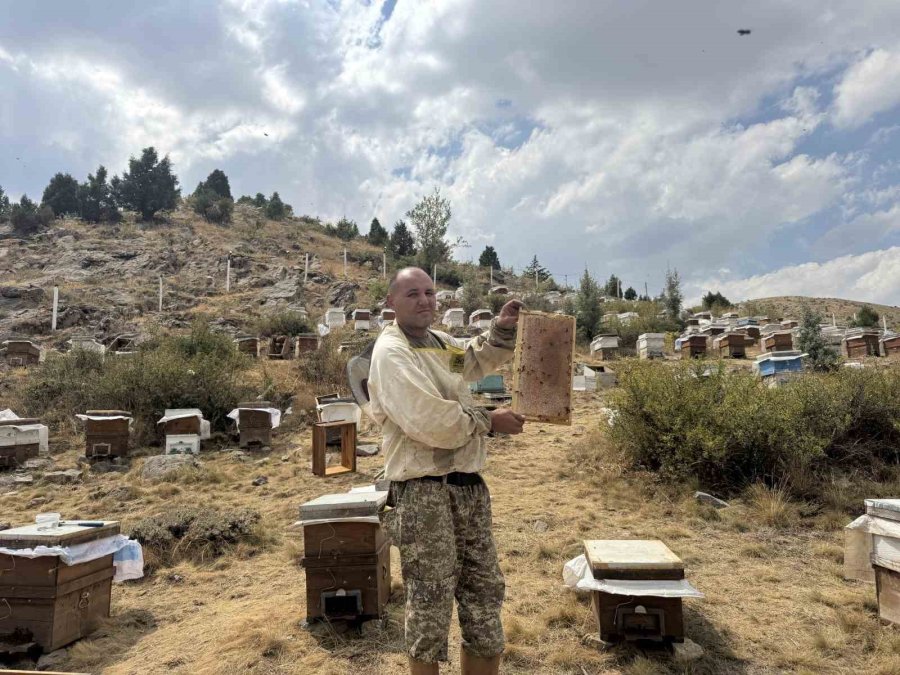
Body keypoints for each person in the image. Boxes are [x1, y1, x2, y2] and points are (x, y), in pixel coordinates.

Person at [368, 267, 525, 675]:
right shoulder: (391, 351)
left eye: (430, 293)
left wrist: (502, 331)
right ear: (391, 303)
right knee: (430, 603)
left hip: (469, 489)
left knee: (484, 592)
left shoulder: (438, 342)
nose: (424, 301)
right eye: (413, 294)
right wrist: (489, 421)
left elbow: (472, 359)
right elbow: (429, 420)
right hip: (423, 494)